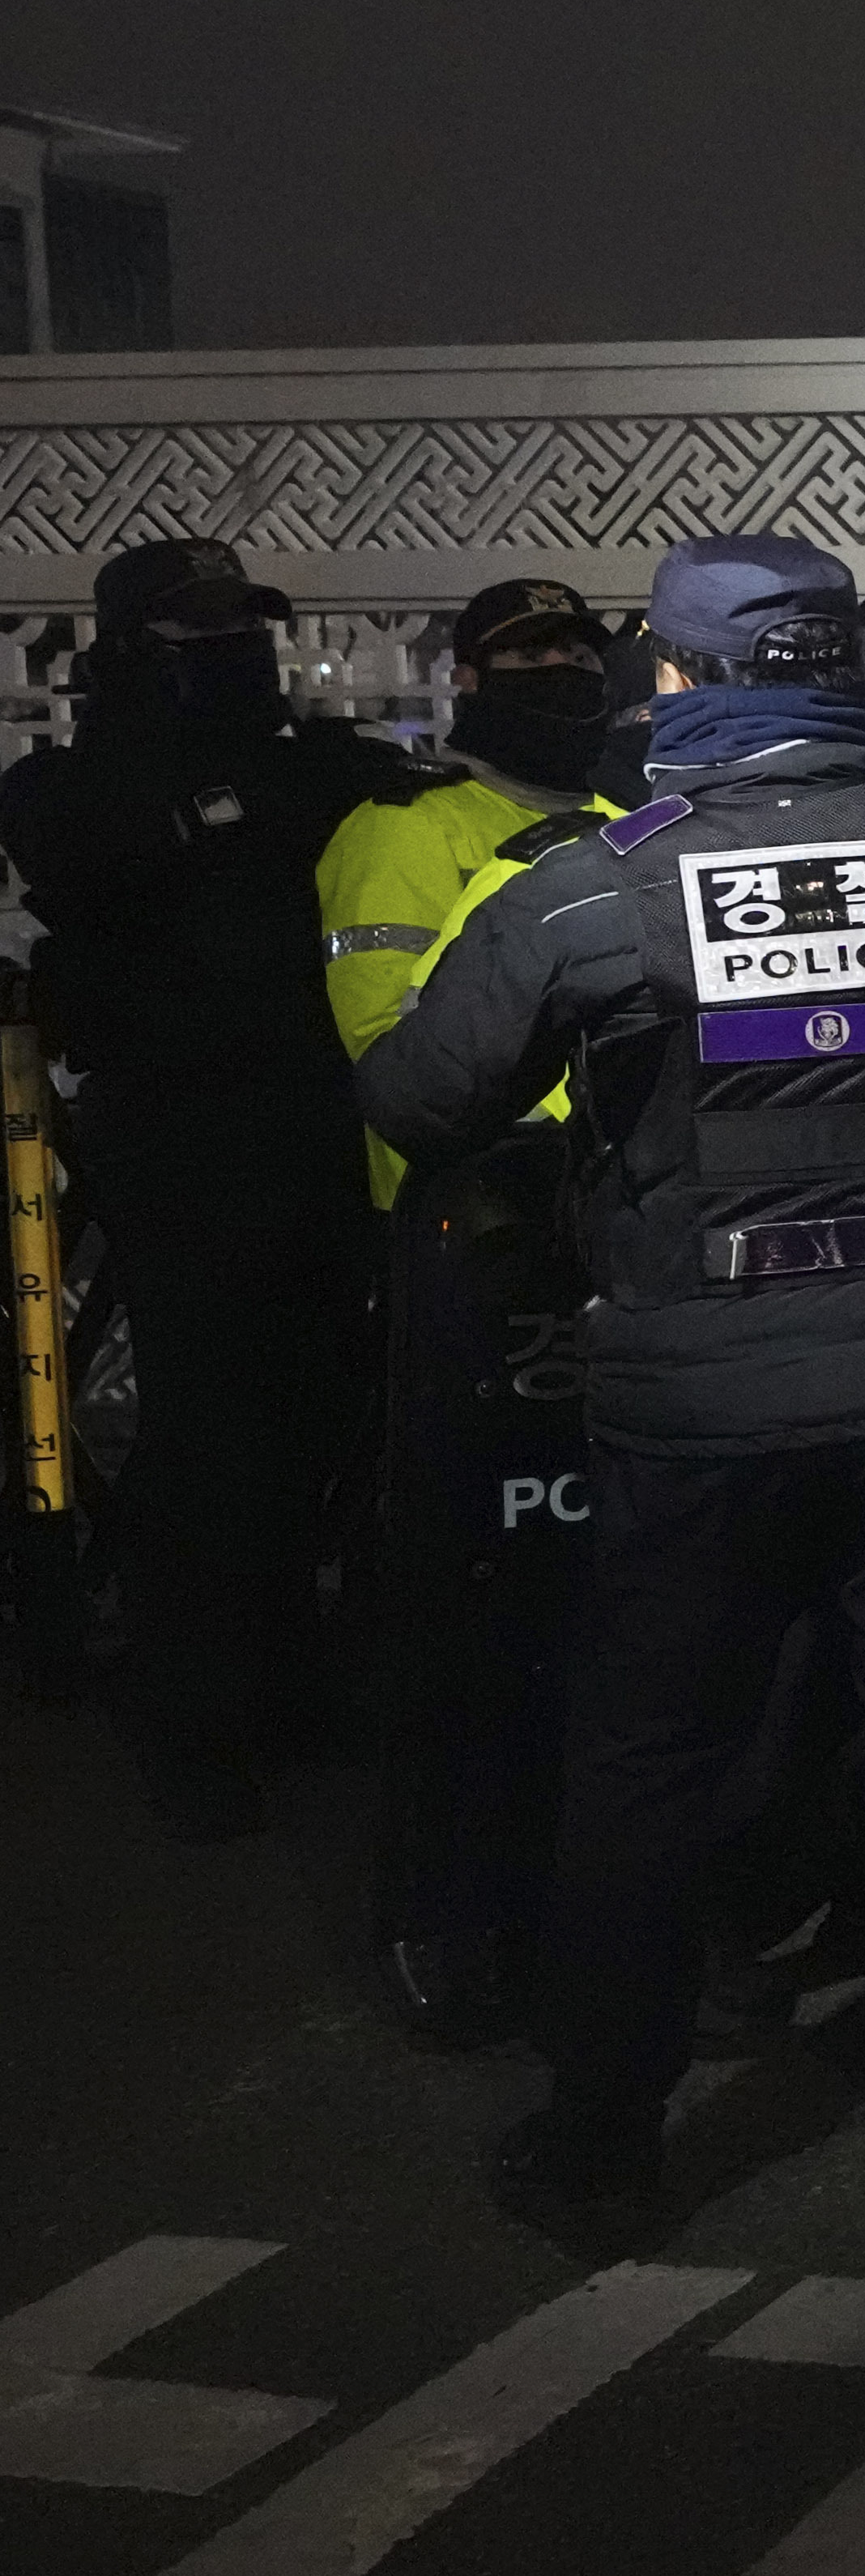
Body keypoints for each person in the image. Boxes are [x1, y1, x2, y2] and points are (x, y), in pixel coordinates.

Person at [360, 538, 865, 2219]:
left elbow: (423, 1102)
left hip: (692, 1396)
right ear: (838, 673)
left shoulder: (582, 888)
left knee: (647, 1757)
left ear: (671, 678)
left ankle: (601, 2140)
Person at [0, 538, 421, 1837]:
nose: (236, 648)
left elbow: (362, 811)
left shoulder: (317, 765)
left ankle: (289, 1687)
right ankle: (197, 1719)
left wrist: (221, 832)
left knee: (321, 1413)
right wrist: (217, 831)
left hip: (320, 1133)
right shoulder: (66, 785)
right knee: (210, 1434)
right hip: (180, 1147)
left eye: (247, 625)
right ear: (130, 649)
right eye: (200, 630)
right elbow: (99, 856)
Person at [320, 576, 628, 2035]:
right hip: (482, 1247)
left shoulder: (642, 815)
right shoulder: (401, 836)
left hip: (627, 1236)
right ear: (468, 680)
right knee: (471, 1599)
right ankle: (448, 1921)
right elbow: (397, 1057)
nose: (559, 671)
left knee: (636, 1602)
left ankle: (624, 1920)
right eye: (525, 656)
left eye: (578, 650)